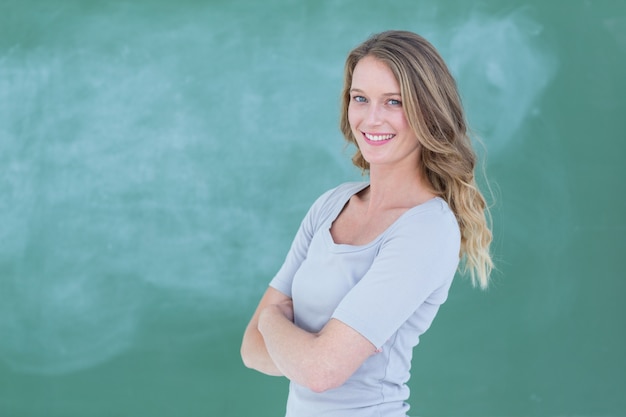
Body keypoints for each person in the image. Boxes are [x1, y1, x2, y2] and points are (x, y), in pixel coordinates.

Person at [240, 30, 493, 417]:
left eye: (394, 101)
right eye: (360, 99)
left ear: (428, 110)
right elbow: (251, 350)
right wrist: (306, 352)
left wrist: (273, 320)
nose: (371, 118)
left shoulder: (427, 228)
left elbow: (320, 372)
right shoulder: (331, 204)